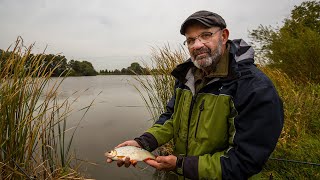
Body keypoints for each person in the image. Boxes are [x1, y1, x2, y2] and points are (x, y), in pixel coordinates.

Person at [107, 10, 284, 180]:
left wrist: (180, 165)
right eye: (190, 40)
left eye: (206, 35)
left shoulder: (255, 88)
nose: (197, 45)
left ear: (223, 36)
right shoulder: (187, 77)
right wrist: (142, 143)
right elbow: (171, 118)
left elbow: (244, 161)